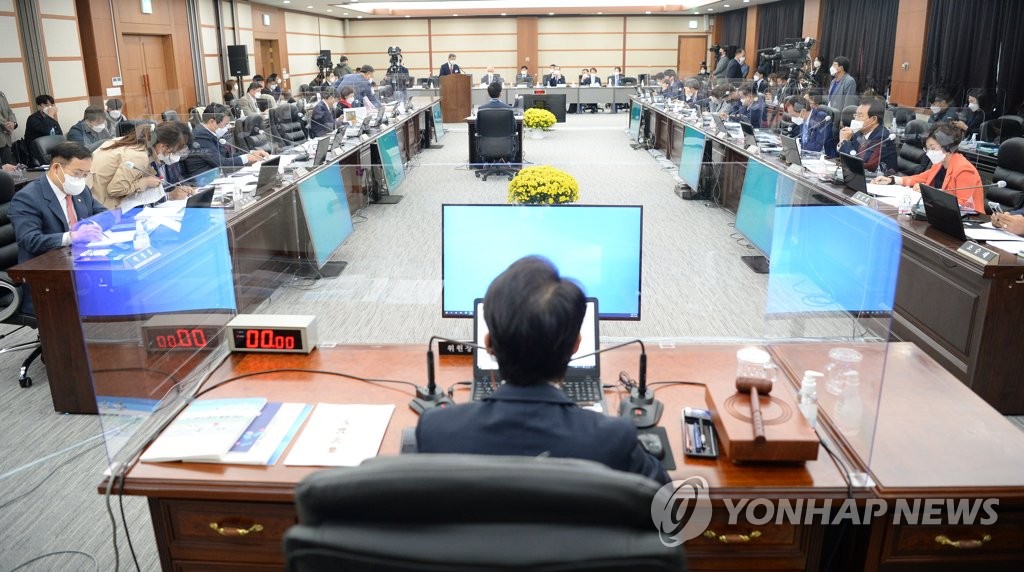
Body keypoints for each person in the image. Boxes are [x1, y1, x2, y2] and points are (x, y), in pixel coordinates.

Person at [416, 256, 669, 485]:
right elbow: (668, 508)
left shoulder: (436, 430)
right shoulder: (614, 439)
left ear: (488, 344)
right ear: (576, 345)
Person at [9, 142, 108, 312]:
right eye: (77, 173)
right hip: (47, 274)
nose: (81, 179)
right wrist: (72, 236)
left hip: (80, 263)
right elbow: (30, 240)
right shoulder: (27, 198)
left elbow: (103, 214)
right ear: (56, 168)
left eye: (85, 174)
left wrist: (93, 225)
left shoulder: (81, 191)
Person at [871, 123, 984, 211]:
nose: (929, 152)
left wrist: (928, 192)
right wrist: (892, 180)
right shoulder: (940, 163)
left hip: (967, 221)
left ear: (948, 146)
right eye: (927, 148)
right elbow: (921, 178)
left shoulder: (964, 169)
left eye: (933, 148)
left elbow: (963, 204)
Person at [89, 122, 192, 209]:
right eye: (172, 151)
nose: (172, 155)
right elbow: (115, 189)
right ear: (162, 146)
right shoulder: (139, 156)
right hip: (100, 205)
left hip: (93, 197)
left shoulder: (136, 144)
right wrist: (145, 182)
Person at [180, 103, 267, 178]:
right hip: (204, 181)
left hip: (216, 176)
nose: (227, 128)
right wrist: (247, 158)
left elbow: (226, 156)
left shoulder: (208, 133)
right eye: (225, 124)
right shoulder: (200, 138)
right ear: (212, 122)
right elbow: (222, 163)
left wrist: (251, 153)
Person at [838, 99, 896, 173]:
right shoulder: (859, 133)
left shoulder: (882, 137)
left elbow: (863, 163)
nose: (855, 119)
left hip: (881, 178)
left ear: (873, 119)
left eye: (860, 116)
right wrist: (842, 142)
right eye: (855, 115)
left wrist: (844, 142)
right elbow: (852, 153)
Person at [0, 89, 18, 165]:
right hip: (4, 130)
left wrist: (13, 123)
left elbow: (9, 111)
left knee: (8, 167)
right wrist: (6, 125)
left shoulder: (1, 94)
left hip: (6, 137)